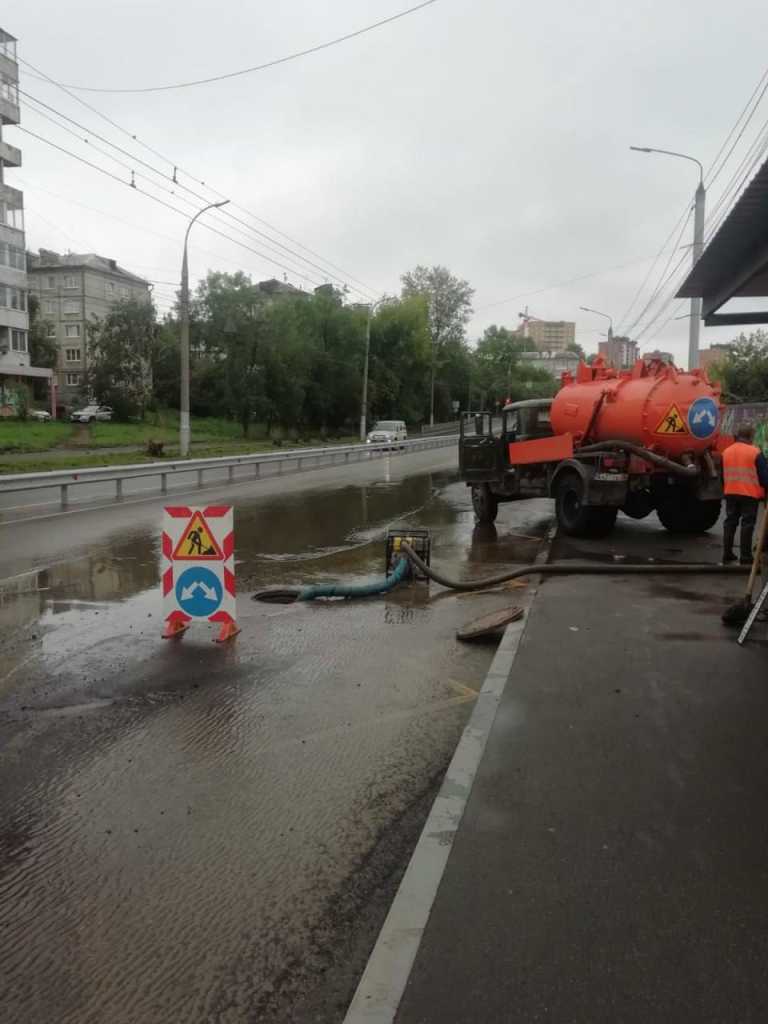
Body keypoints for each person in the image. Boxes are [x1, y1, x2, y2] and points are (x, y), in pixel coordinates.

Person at [721, 424, 768, 564]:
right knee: (747, 524)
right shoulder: (755, 452)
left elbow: (723, 475)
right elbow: (764, 477)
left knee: (730, 522)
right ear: (750, 437)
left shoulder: (726, 452)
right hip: (749, 493)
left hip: (730, 492)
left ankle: (727, 553)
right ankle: (746, 556)